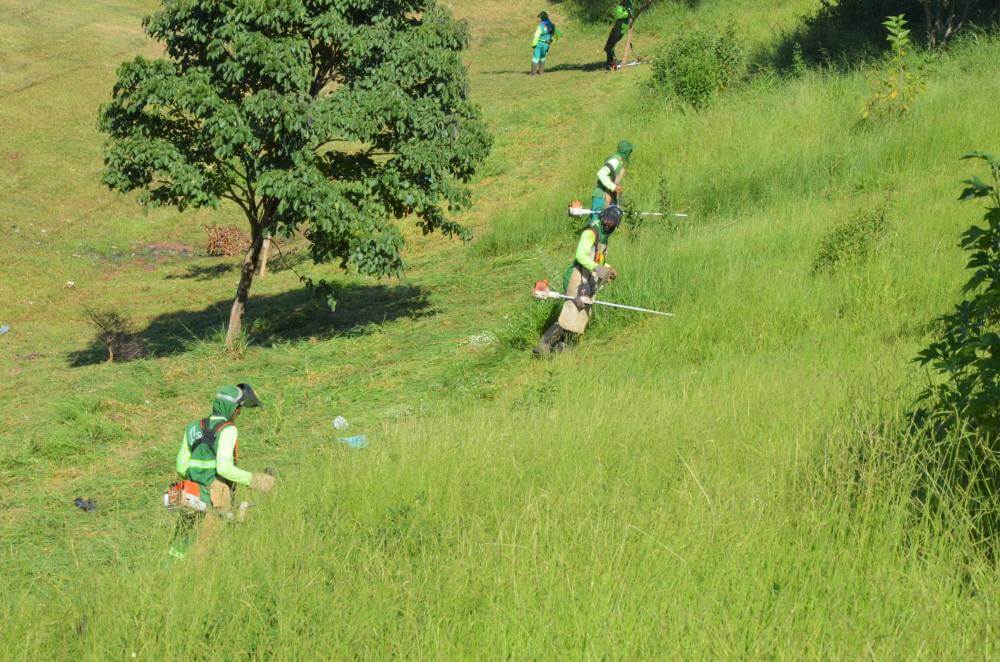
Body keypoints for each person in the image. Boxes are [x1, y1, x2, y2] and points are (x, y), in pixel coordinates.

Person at [167, 383, 274, 559]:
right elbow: (224, 468)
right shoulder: (228, 429)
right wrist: (255, 480)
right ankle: (195, 578)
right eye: (238, 408)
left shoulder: (192, 427)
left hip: (190, 491)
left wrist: (197, 478)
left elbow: (180, 465)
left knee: (180, 543)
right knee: (205, 546)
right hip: (215, 494)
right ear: (231, 407)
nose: (238, 413)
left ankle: (168, 571)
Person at [534, 205, 623, 355]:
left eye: (613, 222)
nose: (609, 223)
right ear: (602, 217)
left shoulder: (604, 238)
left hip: (588, 280)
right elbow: (581, 255)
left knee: (582, 314)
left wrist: (607, 270)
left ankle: (562, 348)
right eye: (607, 219)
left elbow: (598, 259)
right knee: (572, 310)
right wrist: (597, 269)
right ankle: (543, 346)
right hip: (576, 277)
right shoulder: (591, 233)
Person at [592, 139, 634, 222]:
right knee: (595, 225)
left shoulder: (619, 162)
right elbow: (601, 173)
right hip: (601, 197)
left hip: (607, 198)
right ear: (626, 152)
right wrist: (613, 186)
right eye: (630, 151)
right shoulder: (615, 161)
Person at [604, 0, 633, 71]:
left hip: (621, 28)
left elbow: (620, 15)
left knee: (609, 46)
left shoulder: (627, 4)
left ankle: (612, 63)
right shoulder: (622, 5)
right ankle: (610, 62)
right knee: (608, 46)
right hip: (618, 26)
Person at [531, 11, 561, 75]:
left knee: (535, 57)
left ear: (542, 18)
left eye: (540, 17)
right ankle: (541, 72)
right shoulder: (552, 26)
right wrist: (552, 39)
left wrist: (534, 44)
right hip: (546, 44)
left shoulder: (540, 26)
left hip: (539, 43)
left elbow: (536, 35)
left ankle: (533, 73)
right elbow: (560, 34)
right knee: (543, 57)